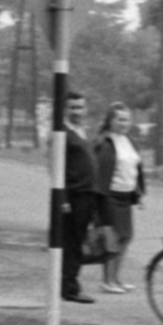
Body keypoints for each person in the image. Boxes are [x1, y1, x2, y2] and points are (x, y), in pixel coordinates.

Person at [95, 102, 146, 294]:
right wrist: (97, 200)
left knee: (126, 237)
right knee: (112, 239)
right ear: (111, 120)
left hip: (126, 196)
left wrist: (138, 193)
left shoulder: (130, 141)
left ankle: (116, 278)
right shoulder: (105, 142)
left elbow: (135, 169)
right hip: (110, 196)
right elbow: (99, 172)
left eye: (127, 119)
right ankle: (107, 281)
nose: (124, 123)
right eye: (120, 119)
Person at [59, 93, 97, 304]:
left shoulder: (82, 131)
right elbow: (58, 168)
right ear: (66, 109)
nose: (76, 111)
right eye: (72, 107)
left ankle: (70, 282)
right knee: (73, 242)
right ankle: (70, 288)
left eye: (80, 107)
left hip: (87, 194)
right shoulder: (63, 133)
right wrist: (63, 198)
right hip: (74, 195)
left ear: (85, 109)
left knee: (79, 240)